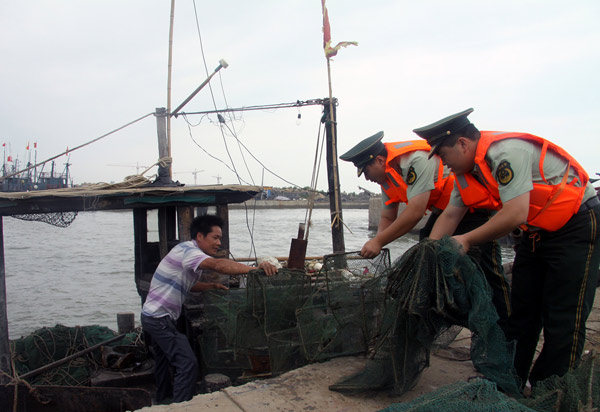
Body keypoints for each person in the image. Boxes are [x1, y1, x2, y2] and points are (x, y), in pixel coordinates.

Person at [414, 108, 600, 388]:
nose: (443, 162)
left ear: (463, 144)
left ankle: (547, 390)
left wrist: (466, 240)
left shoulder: (505, 154)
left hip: (576, 227)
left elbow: (515, 214)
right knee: (521, 314)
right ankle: (508, 379)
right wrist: (429, 252)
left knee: (563, 318)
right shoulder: (466, 173)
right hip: (534, 235)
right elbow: (450, 215)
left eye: (443, 154)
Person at [339, 131, 511, 328]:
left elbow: (415, 212)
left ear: (379, 160)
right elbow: (388, 216)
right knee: (427, 255)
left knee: (488, 268)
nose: (367, 178)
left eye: (366, 172)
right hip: (445, 213)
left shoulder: (416, 160)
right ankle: (436, 320)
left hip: (472, 208)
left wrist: (378, 242)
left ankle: (507, 328)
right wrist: (376, 243)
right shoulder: (387, 177)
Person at [141, 214, 278, 404]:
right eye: (215, 238)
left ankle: (163, 399)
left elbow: (187, 285)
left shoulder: (185, 252)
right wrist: (255, 269)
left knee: (164, 361)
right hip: (159, 319)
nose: (219, 243)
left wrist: (211, 287)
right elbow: (218, 265)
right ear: (199, 236)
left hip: (152, 316)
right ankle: (181, 407)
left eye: (220, 238)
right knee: (187, 363)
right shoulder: (189, 252)